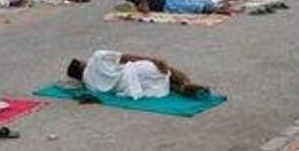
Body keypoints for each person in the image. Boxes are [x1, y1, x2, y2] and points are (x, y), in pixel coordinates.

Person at [66, 50, 209, 100]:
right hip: (137, 71)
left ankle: (182, 89)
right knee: (165, 70)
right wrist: (152, 59)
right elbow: (126, 57)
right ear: (81, 64)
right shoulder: (96, 57)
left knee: (164, 83)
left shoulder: (89, 84)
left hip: (135, 88)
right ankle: (186, 83)